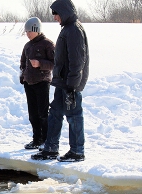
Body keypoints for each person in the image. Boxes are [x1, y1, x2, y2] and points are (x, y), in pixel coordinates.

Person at [31, 0, 89, 162]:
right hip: (62, 82)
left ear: (64, 12)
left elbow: (77, 61)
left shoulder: (74, 30)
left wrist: (72, 86)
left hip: (70, 83)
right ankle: (51, 148)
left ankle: (77, 151)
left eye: (56, 14)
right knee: (55, 113)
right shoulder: (68, 29)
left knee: (74, 115)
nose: (55, 17)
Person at [19, 17, 55, 150]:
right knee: (32, 113)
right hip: (29, 83)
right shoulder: (27, 46)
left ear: (36, 29)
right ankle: (36, 139)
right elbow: (23, 63)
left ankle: (46, 140)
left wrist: (40, 64)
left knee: (43, 113)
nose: (27, 34)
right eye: (26, 32)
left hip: (42, 82)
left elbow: (55, 63)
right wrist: (23, 75)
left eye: (29, 31)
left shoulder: (48, 44)